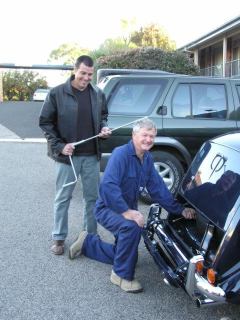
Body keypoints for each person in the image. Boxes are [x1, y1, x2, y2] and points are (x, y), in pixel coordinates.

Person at [68, 118, 195, 293]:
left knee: (127, 255)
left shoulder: (147, 159)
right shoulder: (120, 154)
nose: (148, 139)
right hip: (108, 209)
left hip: (126, 210)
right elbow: (108, 187)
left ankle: (87, 244)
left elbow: (158, 190)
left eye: (152, 136)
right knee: (132, 227)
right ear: (134, 135)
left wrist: (180, 209)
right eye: (144, 135)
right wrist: (127, 212)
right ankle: (120, 276)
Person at [39, 55, 111, 255]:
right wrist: (60, 146)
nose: (87, 78)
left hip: (91, 156)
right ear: (74, 70)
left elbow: (103, 116)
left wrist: (104, 128)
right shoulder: (57, 93)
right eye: (83, 73)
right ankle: (59, 238)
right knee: (63, 198)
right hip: (66, 157)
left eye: (90, 74)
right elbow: (45, 123)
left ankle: (90, 236)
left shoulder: (97, 93)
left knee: (92, 198)